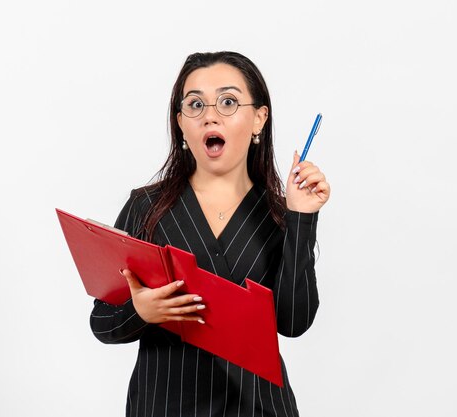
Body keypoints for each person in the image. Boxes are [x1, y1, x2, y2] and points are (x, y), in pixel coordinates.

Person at [90, 51, 330, 416]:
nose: (210, 115)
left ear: (258, 119)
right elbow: (102, 322)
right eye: (195, 104)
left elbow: (294, 323)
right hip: (164, 405)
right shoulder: (146, 208)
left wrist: (302, 218)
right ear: (181, 123)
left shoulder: (282, 213)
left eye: (229, 101)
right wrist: (141, 311)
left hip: (259, 408)